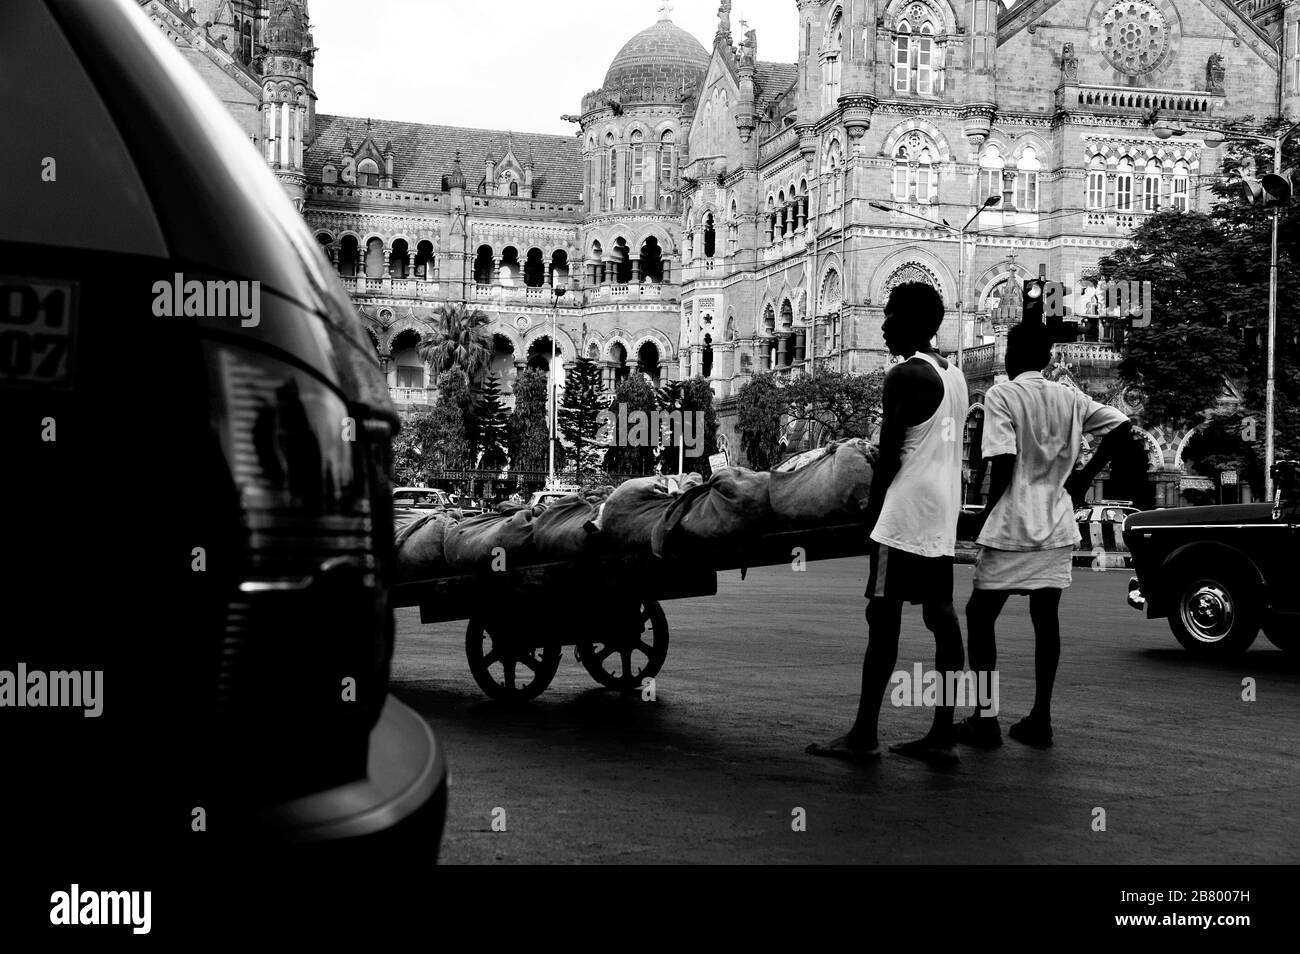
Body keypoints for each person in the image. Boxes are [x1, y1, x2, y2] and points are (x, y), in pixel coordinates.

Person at [808, 282, 969, 766]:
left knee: (882, 620)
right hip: (940, 516)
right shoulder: (954, 376)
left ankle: (864, 735)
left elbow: (892, 458)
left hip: (901, 517)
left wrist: (869, 518)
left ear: (915, 323)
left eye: (891, 315)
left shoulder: (904, 375)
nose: (882, 324)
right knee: (942, 618)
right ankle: (942, 734)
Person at [956, 322, 1132, 749]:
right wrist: (1082, 478)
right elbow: (1122, 427)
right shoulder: (1069, 397)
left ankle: (986, 719)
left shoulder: (1003, 394)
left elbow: (1001, 460)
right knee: (1045, 621)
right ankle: (1040, 718)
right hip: (1056, 523)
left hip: (1012, 521)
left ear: (1013, 355)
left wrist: (981, 519)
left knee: (981, 617)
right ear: (1049, 359)